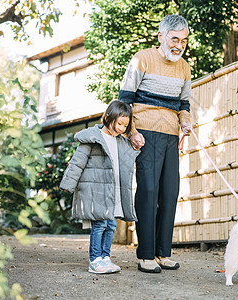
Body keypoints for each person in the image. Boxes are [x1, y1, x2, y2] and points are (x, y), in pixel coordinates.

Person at [118, 14, 192, 273]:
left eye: (183, 41)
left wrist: (186, 121)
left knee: (170, 193)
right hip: (145, 135)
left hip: (172, 136)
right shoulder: (142, 59)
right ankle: (146, 254)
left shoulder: (184, 67)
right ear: (160, 36)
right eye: (174, 39)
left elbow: (184, 104)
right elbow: (125, 100)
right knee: (148, 192)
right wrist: (131, 132)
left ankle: (163, 253)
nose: (179, 45)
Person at [60, 101, 140, 274]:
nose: (121, 128)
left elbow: (128, 158)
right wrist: (68, 183)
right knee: (100, 224)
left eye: (125, 125)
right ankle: (95, 259)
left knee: (111, 224)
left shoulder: (120, 141)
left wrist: (137, 142)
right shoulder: (92, 138)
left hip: (113, 190)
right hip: (96, 190)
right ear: (107, 117)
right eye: (119, 123)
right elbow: (77, 163)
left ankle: (105, 258)